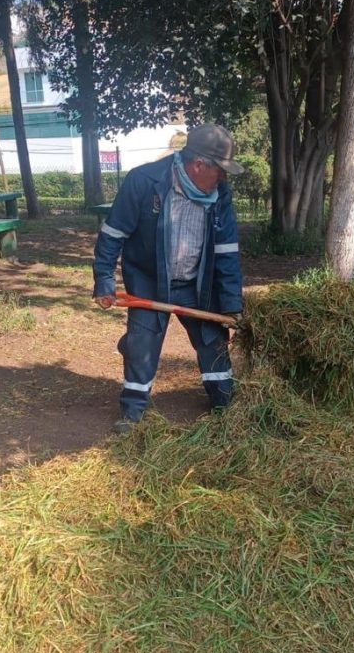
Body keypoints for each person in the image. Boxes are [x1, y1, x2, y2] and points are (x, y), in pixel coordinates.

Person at [93, 123, 244, 433]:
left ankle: (225, 404)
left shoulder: (219, 194)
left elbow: (227, 251)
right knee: (141, 346)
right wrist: (104, 280)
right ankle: (132, 413)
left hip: (196, 284)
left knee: (213, 341)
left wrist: (230, 304)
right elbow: (113, 234)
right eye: (221, 170)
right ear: (199, 164)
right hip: (150, 281)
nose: (224, 178)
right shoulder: (144, 181)